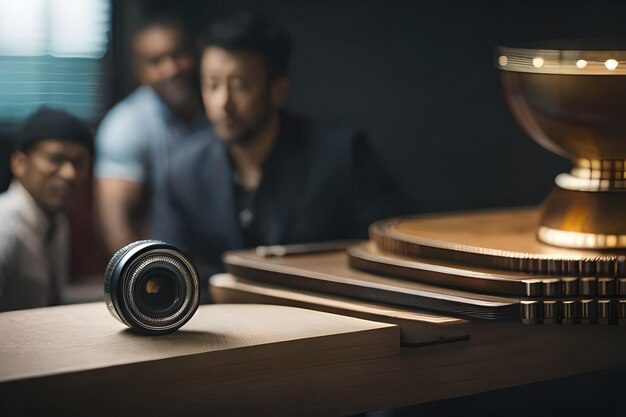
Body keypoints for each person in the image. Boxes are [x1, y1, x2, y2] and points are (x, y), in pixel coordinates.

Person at [153, 13, 405, 298]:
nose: (223, 103)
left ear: (278, 90)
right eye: (211, 84)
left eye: (240, 86)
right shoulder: (183, 169)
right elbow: (166, 272)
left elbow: (389, 254)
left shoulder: (342, 153)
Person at [95, 16, 208, 256]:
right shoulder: (125, 125)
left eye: (178, 54)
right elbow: (116, 227)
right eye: (156, 61)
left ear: (196, 54)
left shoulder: (221, 110)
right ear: (141, 71)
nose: (172, 69)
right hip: (164, 263)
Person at [0, 107, 93, 311]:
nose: (70, 173)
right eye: (56, 159)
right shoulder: (4, 228)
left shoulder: (57, 222)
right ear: (19, 163)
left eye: (79, 163)